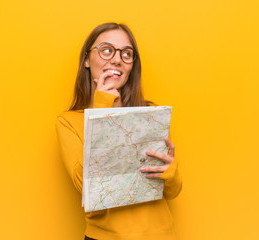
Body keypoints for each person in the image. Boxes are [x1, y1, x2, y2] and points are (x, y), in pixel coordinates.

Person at [56, 22, 182, 240]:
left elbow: (172, 191)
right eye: (106, 50)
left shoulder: (151, 114)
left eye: (126, 53)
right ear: (86, 60)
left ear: (132, 64)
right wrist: (102, 105)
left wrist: (170, 171)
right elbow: (83, 185)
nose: (116, 59)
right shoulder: (68, 122)